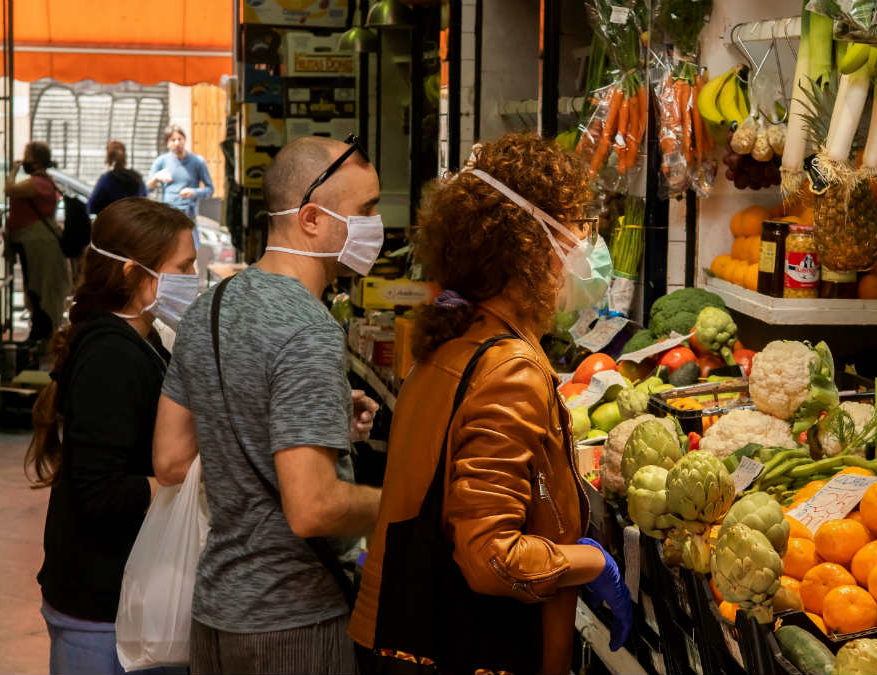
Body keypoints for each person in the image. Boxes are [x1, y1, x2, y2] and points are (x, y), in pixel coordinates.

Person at [349, 133, 630, 675]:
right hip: (470, 650)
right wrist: (589, 561)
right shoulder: (510, 371)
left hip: (402, 639)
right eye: (574, 228)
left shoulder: (452, 344)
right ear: (531, 244)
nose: (583, 245)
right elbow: (491, 559)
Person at [152, 134, 383, 675]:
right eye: (366, 210)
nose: (378, 227)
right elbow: (313, 508)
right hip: (291, 624)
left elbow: (169, 461)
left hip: (215, 614)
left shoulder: (211, 307)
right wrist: (399, 502)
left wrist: (309, 420)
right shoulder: (308, 330)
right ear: (310, 219)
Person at [28, 198, 198, 675]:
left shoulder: (143, 341)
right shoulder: (110, 357)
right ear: (133, 272)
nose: (193, 276)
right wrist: (183, 483)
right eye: (184, 266)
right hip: (99, 608)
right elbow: (99, 492)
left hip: (122, 599)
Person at [5, 141, 72, 343]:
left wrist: (13, 170)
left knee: (40, 289)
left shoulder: (37, 183)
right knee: (36, 287)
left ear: (35, 160)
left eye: (27, 157)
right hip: (34, 242)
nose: (24, 161)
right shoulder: (44, 181)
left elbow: (9, 189)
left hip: (38, 243)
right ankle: (40, 332)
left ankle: (42, 334)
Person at [147, 125, 214, 222]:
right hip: (168, 215)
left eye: (179, 139)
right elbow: (147, 189)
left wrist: (193, 192)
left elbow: (210, 190)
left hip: (189, 216)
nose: (177, 143)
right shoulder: (161, 161)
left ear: (185, 140)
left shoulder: (198, 161)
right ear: (167, 143)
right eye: (173, 140)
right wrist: (156, 178)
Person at [88, 141, 147, 215]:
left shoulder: (106, 179)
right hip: (135, 223)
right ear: (125, 158)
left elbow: (92, 206)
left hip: (112, 223)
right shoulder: (137, 177)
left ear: (108, 159)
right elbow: (145, 200)